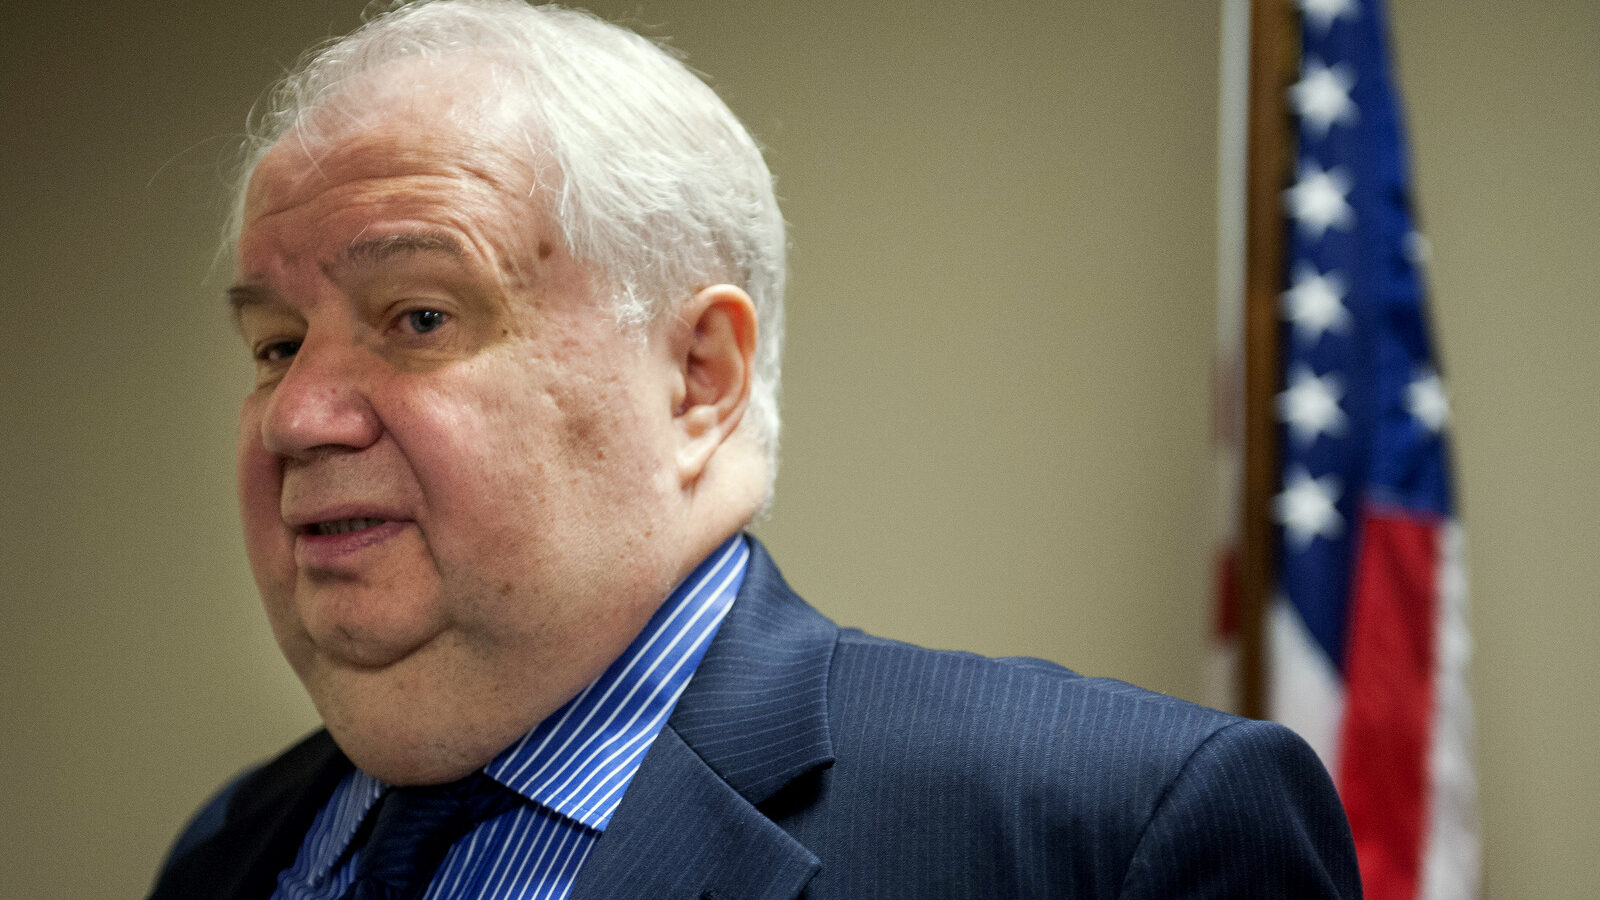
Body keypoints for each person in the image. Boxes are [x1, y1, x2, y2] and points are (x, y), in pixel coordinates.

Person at [150, 2, 1362, 897]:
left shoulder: (1111, 837)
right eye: (275, 345)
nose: (300, 416)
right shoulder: (229, 849)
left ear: (697, 380)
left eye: (418, 317)